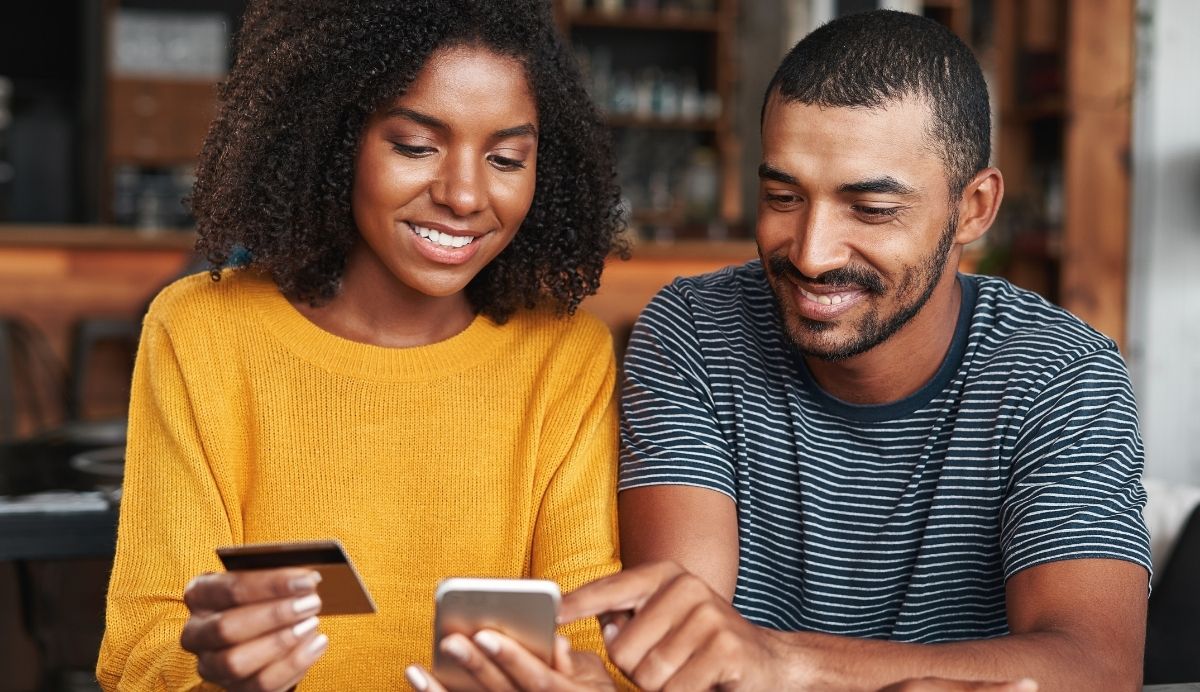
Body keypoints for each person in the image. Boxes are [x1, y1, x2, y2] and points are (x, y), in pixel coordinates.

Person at [554, 9, 1151, 692]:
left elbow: (1096, 668)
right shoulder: (695, 330)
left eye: (870, 210)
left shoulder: (1060, 373)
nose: (811, 253)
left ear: (974, 209)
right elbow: (688, 646)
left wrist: (784, 662)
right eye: (782, 196)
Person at [95, 0, 628, 689]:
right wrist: (218, 673)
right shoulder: (202, 331)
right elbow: (138, 647)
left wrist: (580, 681)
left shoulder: (564, 355)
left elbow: (589, 636)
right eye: (415, 146)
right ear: (334, 137)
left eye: (505, 157)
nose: (465, 194)